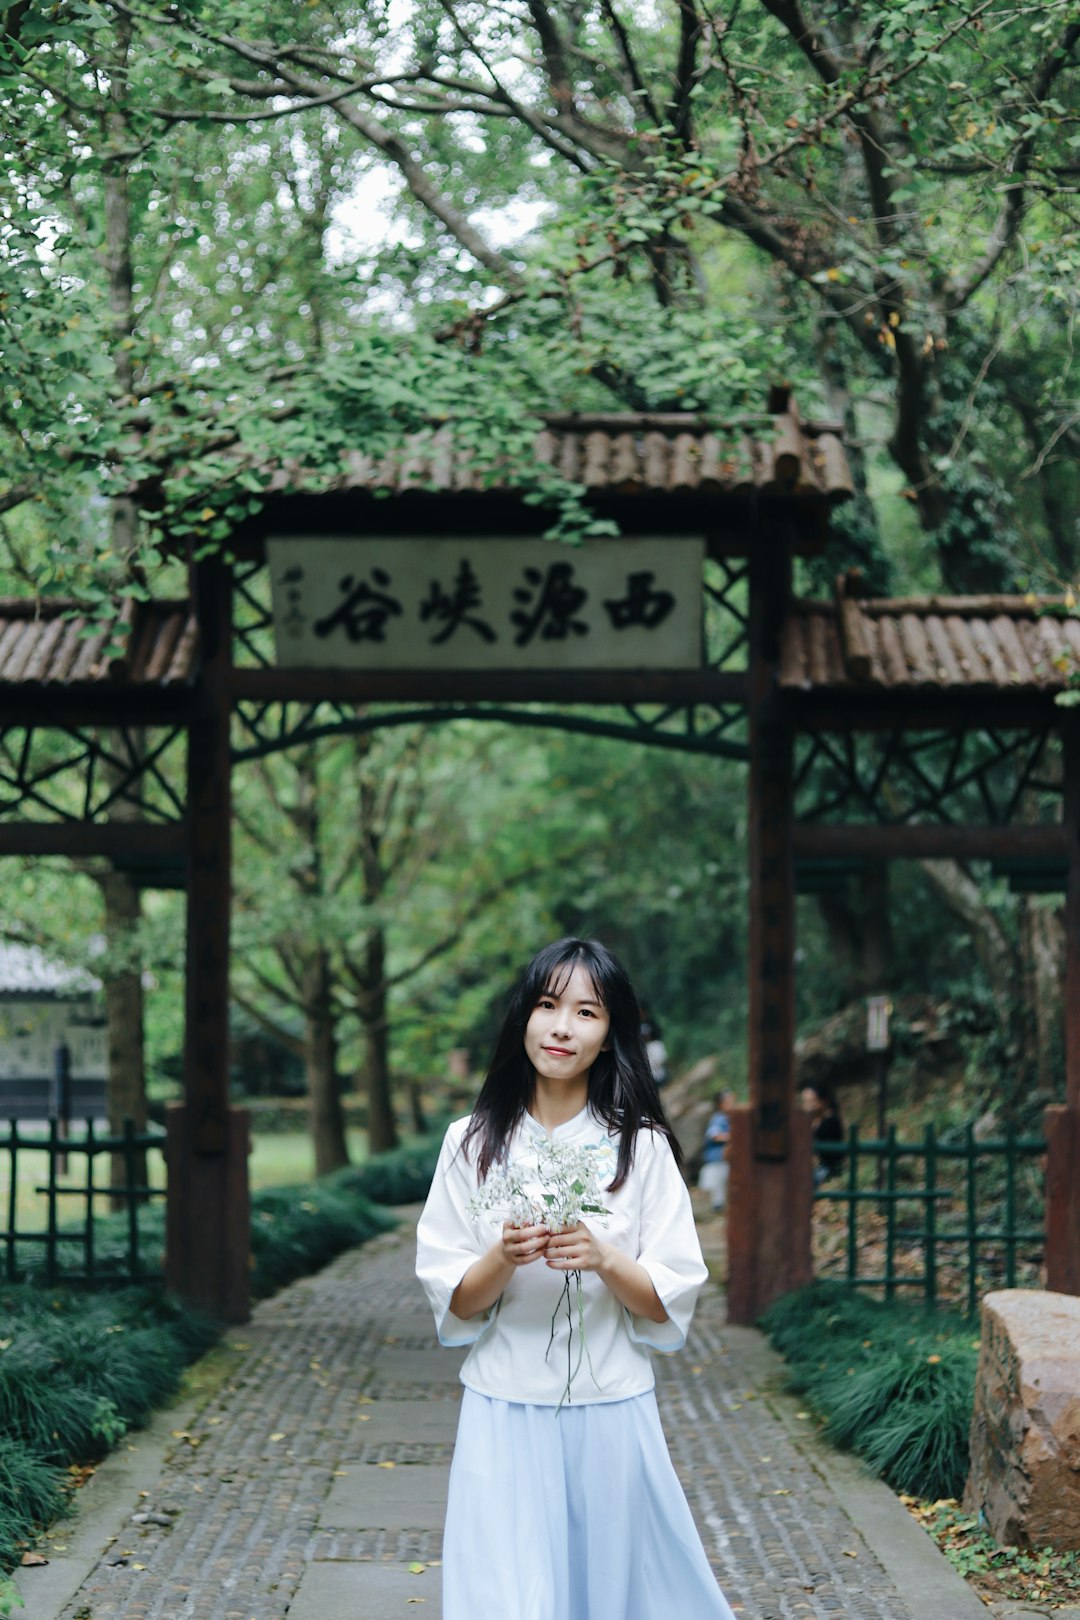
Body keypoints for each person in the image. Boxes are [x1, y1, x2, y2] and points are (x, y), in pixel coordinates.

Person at [416, 937, 738, 1620]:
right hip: (501, 1406)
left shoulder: (640, 1145)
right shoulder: (469, 1143)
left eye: (586, 1012)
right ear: (523, 1019)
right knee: (502, 1601)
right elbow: (455, 1305)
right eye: (546, 1004)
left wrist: (603, 1257)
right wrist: (502, 1256)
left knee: (614, 1595)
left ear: (610, 1033)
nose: (562, 1027)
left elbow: (666, 1304)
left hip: (611, 1408)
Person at [800, 1080, 845, 1188]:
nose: (807, 1106)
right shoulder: (813, 1119)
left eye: (812, 1101)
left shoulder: (830, 1121)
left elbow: (811, 1140)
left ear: (823, 1101)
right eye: (805, 1102)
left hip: (829, 1168)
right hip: (818, 1167)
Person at [698, 1090, 735, 1212]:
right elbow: (714, 1134)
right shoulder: (719, 1119)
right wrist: (732, 1137)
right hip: (717, 1159)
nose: (732, 1104)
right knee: (718, 1185)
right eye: (728, 1102)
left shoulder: (730, 1118)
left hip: (725, 1159)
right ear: (720, 1104)